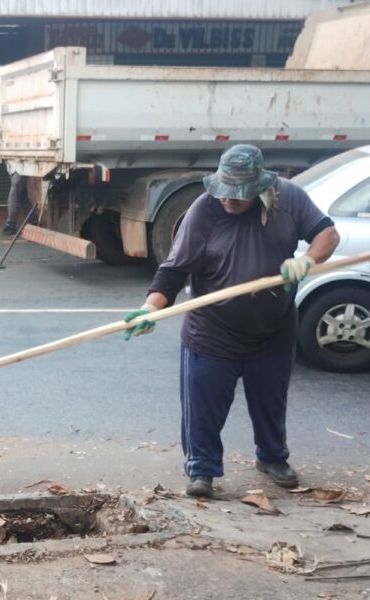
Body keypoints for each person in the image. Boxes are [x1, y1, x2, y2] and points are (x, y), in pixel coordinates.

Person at [123, 144, 339, 498]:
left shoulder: (288, 198)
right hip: (212, 333)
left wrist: (308, 261)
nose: (227, 198)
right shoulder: (204, 210)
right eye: (224, 189)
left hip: (273, 331)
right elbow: (174, 269)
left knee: (270, 406)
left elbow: (327, 234)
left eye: (237, 193)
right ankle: (202, 469)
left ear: (260, 187)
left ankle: (272, 457)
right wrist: (150, 307)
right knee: (203, 410)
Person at [2, 162, 36, 235]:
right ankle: (34, 220)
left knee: (13, 196)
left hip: (20, 168)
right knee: (21, 196)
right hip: (12, 168)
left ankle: (10, 225)